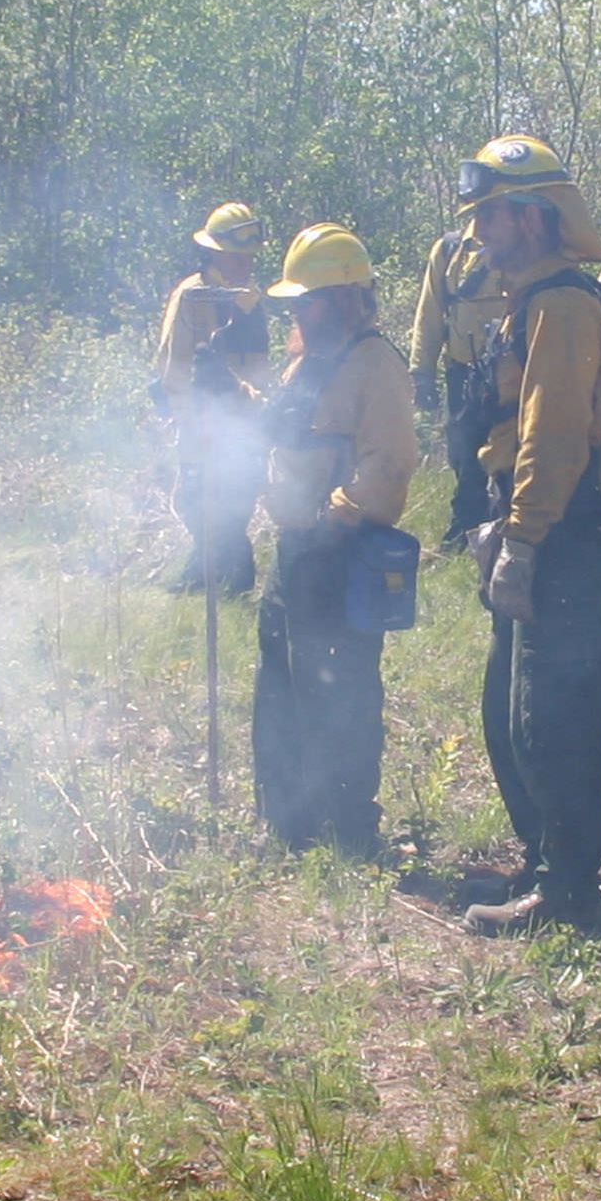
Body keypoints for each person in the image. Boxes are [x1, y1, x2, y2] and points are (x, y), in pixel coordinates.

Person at [448, 134, 601, 934]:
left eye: (492, 219)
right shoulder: (530, 301)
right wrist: (498, 524)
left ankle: (569, 895)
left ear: (532, 221)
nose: (479, 237)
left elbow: (557, 435)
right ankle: (548, 863)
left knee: (555, 718)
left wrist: (526, 540)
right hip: (533, 522)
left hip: (566, 537)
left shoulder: (564, 307)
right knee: (510, 716)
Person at [247, 224, 420, 857]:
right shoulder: (305, 358)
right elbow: (284, 429)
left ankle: (348, 830)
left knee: (339, 693)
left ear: (347, 297)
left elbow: (389, 467)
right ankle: (289, 821)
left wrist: (334, 519)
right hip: (294, 549)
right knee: (282, 686)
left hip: (340, 551)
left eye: (310, 299)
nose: (298, 311)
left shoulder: (376, 364)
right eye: (295, 301)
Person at [151, 201, 271, 592]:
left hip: (241, 420)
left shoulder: (250, 300)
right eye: (237, 257)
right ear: (214, 252)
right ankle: (208, 568)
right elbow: (174, 367)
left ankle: (230, 577)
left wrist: (253, 417)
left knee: (236, 499)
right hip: (201, 423)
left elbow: (258, 367)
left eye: (248, 257)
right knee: (193, 498)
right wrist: (195, 425)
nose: (245, 264)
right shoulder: (191, 296)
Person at [406, 207, 511, 548]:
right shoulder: (450, 250)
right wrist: (422, 372)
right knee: (464, 457)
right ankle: (466, 529)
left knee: (510, 452)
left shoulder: (518, 248)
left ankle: (508, 527)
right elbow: (431, 313)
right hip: (463, 374)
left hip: (510, 374)